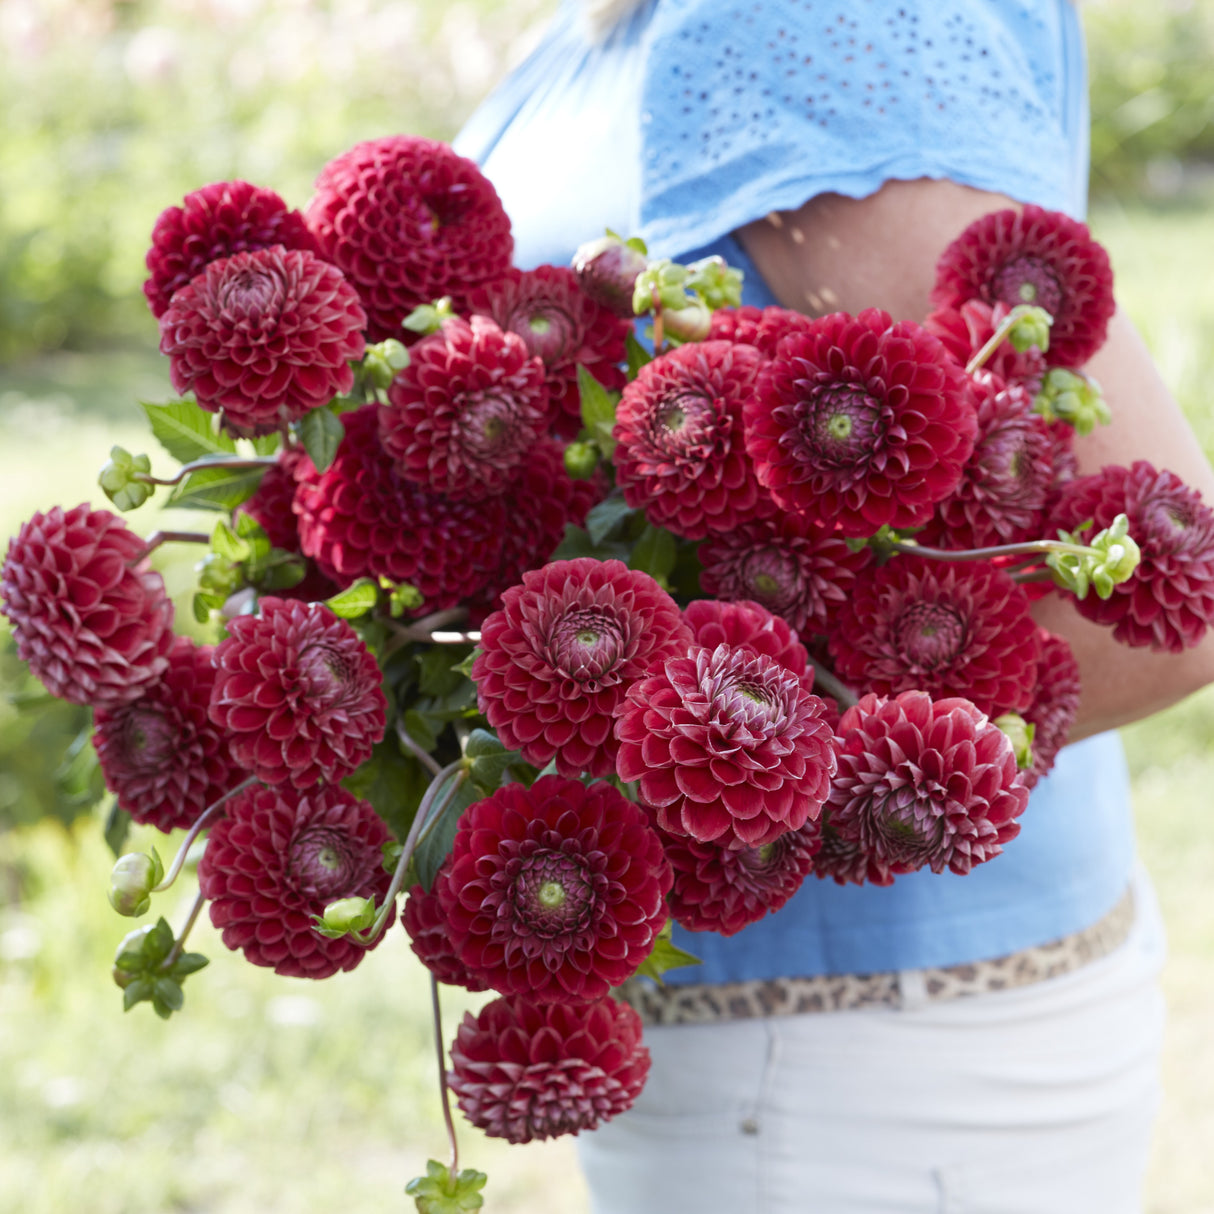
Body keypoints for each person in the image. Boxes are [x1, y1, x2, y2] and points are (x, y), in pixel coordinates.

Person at [455, 2, 1214, 1209]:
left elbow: (1157, 602)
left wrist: (725, 766)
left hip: (846, 1062)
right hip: (779, 1048)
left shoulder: (800, 16)